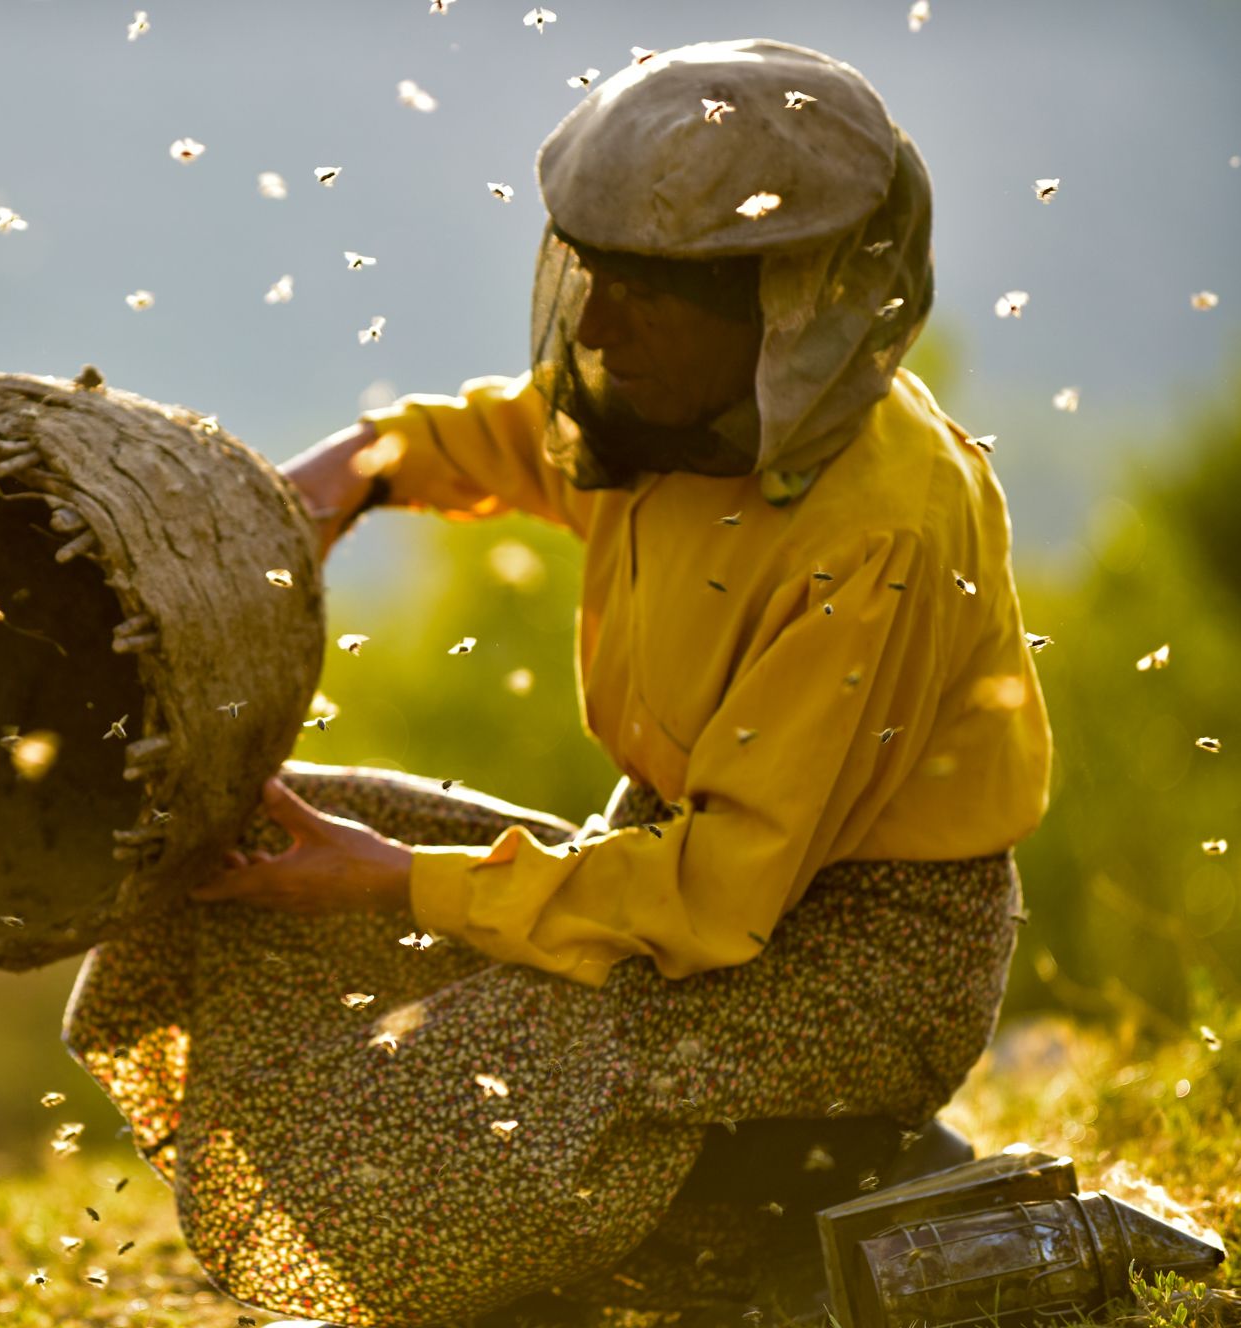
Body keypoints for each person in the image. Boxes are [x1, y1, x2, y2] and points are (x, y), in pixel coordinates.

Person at [63, 38, 1052, 1328]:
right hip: (672, 882)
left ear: (791, 296)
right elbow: (525, 437)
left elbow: (713, 899)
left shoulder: (879, 536)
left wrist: (388, 880)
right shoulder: (680, 408)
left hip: (856, 968)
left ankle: (789, 1184)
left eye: (651, 289)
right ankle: (690, 1207)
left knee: (457, 1091)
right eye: (597, 272)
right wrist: (361, 467)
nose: (595, 322)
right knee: (243, 848)